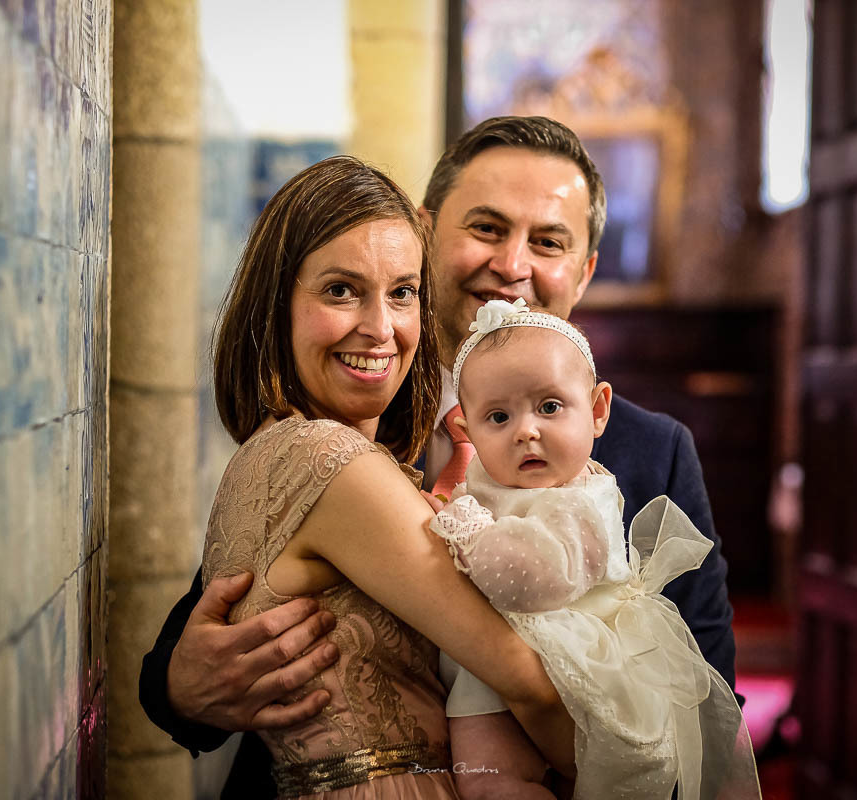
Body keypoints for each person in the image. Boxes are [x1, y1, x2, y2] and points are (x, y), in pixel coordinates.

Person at [140, 116, 736, 796]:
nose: (512, 265)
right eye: (487, 227)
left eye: (548, 242)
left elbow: (705, 690)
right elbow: (222, 611)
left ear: (584, 271)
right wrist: (180, 687)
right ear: (425, 233)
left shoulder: (654, 451)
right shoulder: (349, 415)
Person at [183, 154, 576, 798]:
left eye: (401, 293)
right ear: (277, 304)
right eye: (340, 290)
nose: (380, 328)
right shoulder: (323, 458)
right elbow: (528, 681)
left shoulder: (298, 450)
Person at [428, 298, 758, 800]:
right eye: (498, 416)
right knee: (485, 782)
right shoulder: (488, 480)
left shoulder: (582, 501)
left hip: (573, 670)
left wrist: (467, 530)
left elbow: (539, 579)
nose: (526, 430)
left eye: (549, 407)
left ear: (598, 410)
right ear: (466, 429)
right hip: (481, 679)